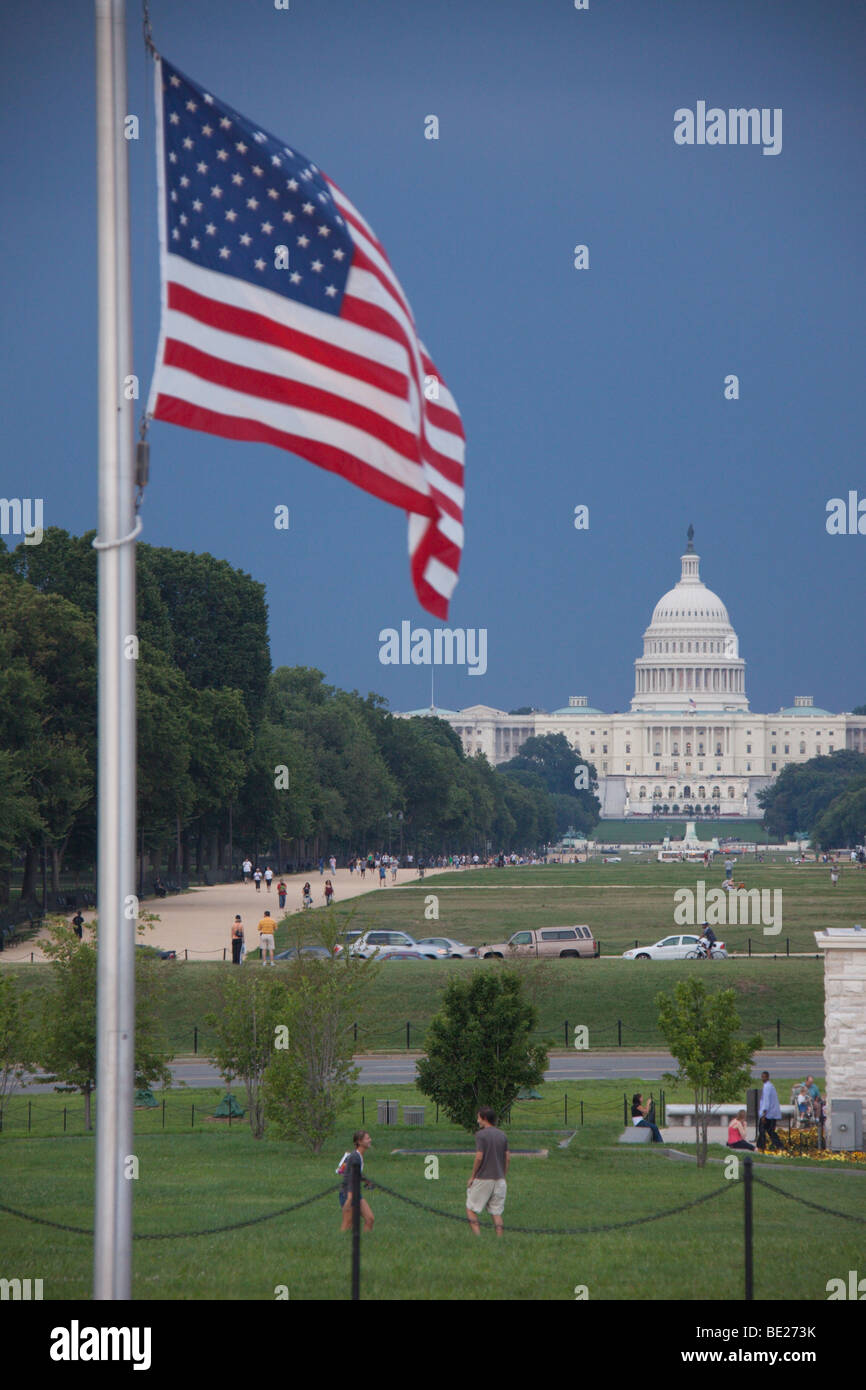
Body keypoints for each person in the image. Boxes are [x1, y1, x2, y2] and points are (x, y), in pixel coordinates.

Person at [466, 1106, 509, 1236]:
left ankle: (478, 1237)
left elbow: (479, 1157)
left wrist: (473, 1176)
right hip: (500, 1179)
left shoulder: (481, 1135)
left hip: (484, 1178)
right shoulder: (502, 1135)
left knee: (471, 1209)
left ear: (484, 1118)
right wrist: (503, 1174)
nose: (477, 1120)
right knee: (496, 1212)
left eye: (479, 1117)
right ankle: (500, 1238)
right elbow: (507, 1157)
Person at [338, 1131, 374, 1232]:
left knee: (370, 1219)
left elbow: (356, 1173)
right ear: (359, 1141)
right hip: (348, 1194)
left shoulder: (358, 1156)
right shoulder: (355, 1157)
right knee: (347, 1225)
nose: (370, 1140)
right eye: (367, 1138)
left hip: (355, 1193)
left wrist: (366, 1181)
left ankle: (365, 1244)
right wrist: (349, 1199)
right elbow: (350, 1178)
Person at [758, 1071, 784, 1150]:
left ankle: (763, 1146)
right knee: (768, 1131)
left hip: (768, 1114)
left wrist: (763, 1114)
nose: (763, 1078)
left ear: (768, 1077)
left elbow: (766, 1102)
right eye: (762, 1077)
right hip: (772, 1113)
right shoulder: (770, 1086)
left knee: (765, 1130)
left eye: (764, 1077)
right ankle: (760, 1145)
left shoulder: (767, 1087)